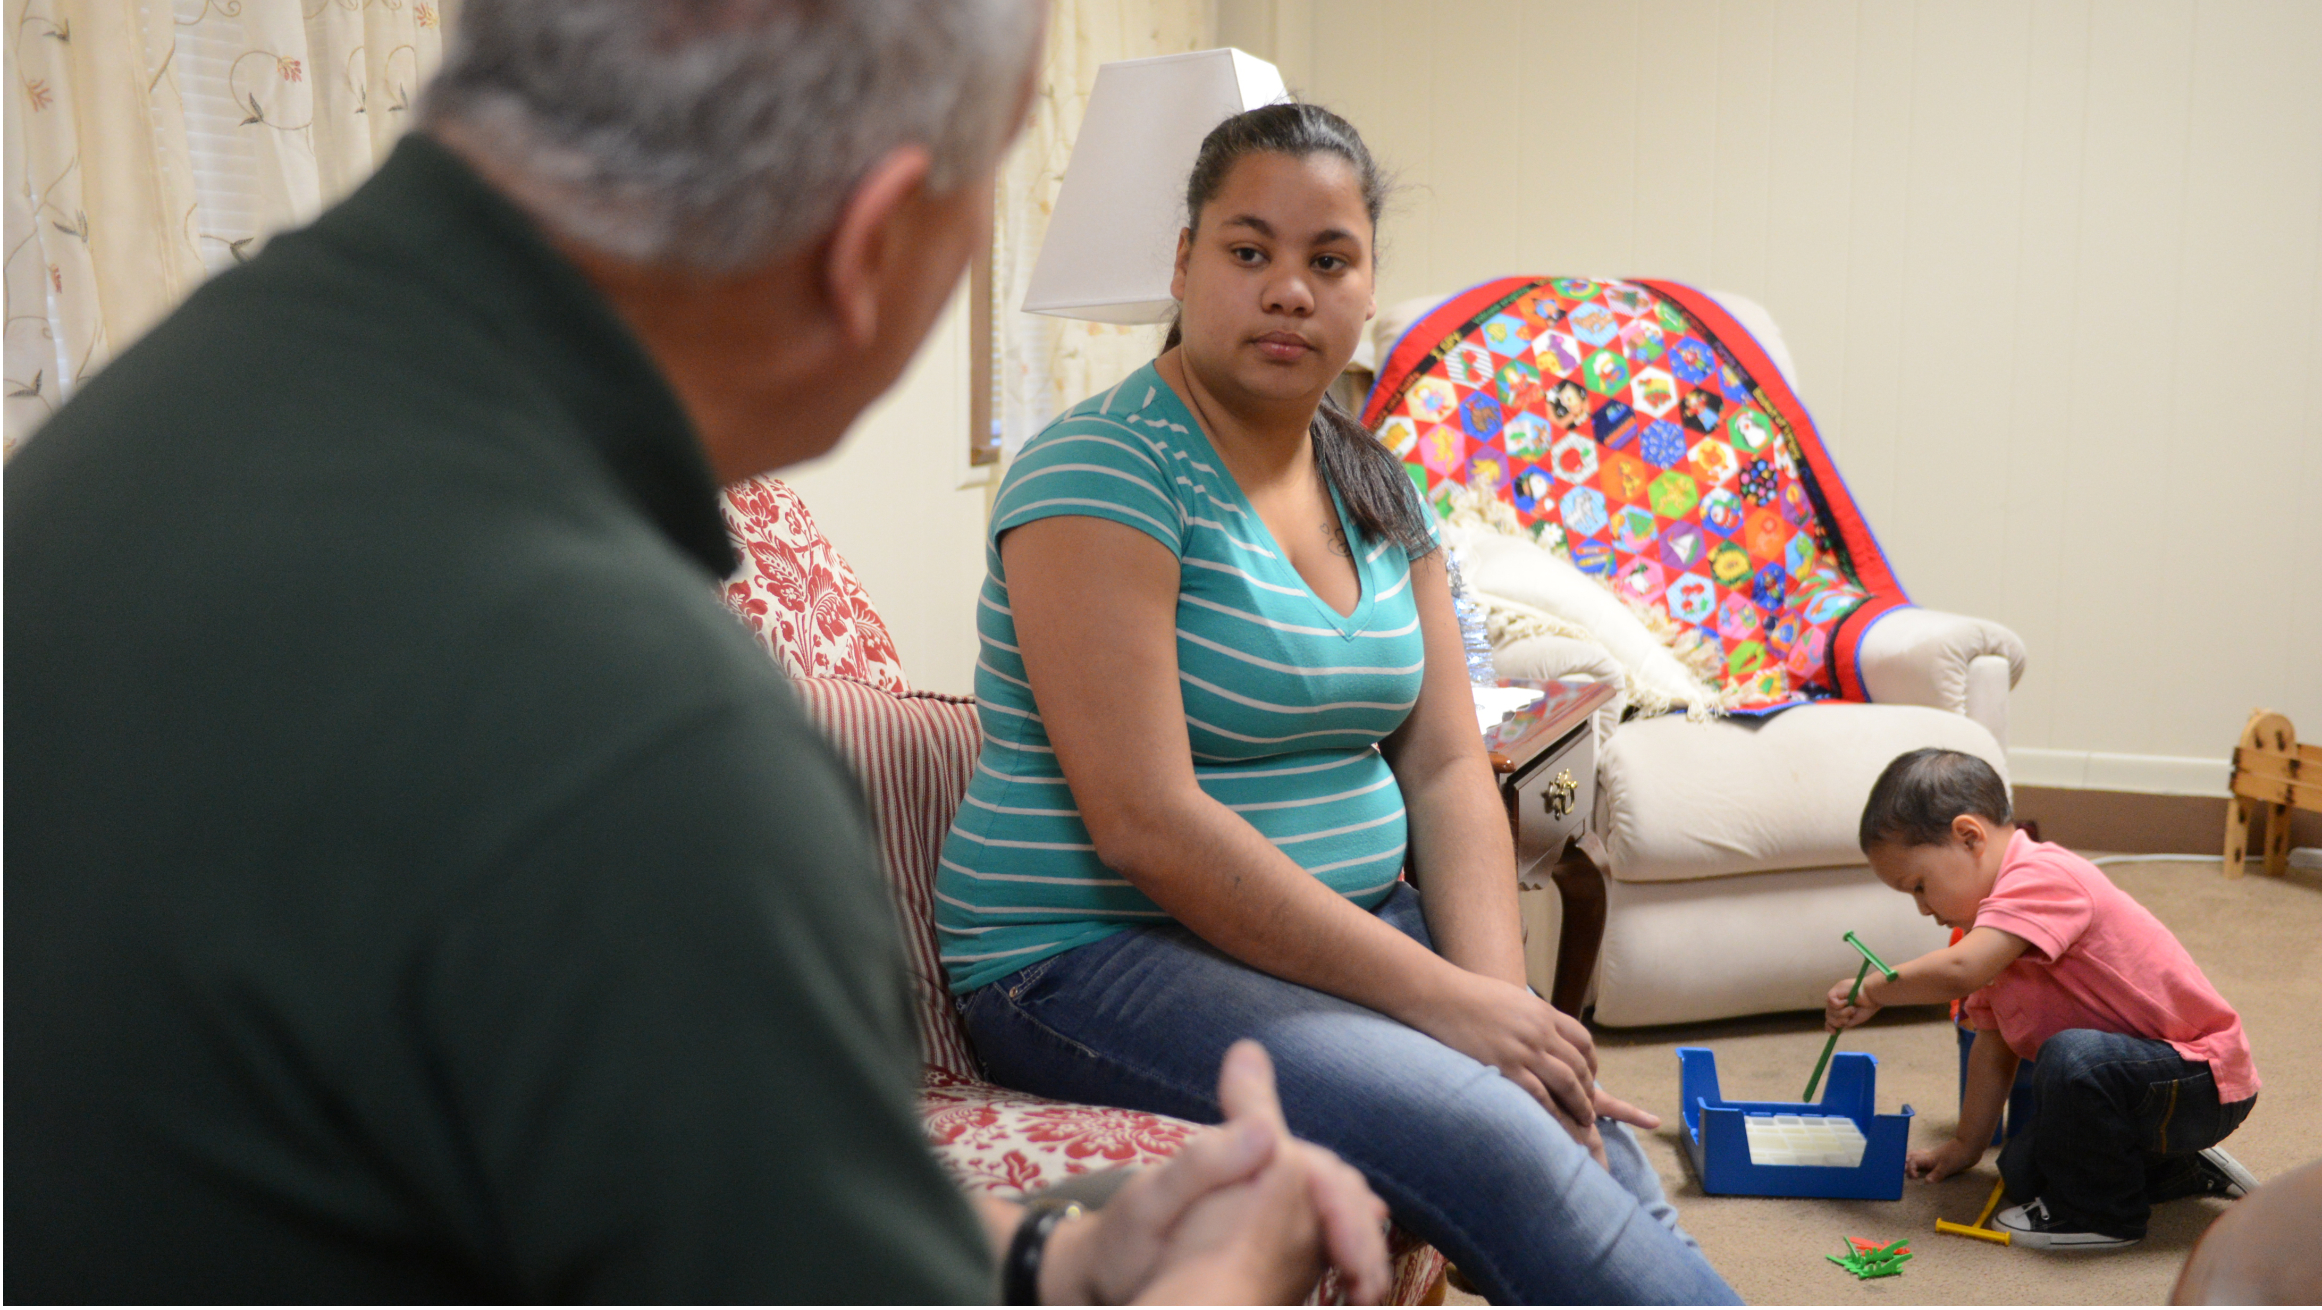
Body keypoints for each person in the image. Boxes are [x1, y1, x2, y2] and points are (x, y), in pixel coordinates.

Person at [3, 1, 1393, 1302]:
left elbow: (671, 1200)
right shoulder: (647, 750)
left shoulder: (143, 434)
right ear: (866, 249)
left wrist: (1050, 1255)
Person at [934, 102, 1739, 1305]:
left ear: (1368, 287)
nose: (1289, 291)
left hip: (1338, 925)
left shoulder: (1381, 485)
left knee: (1575, 1122)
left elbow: (1447, 765)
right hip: (1087, 956)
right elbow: (1144, 819)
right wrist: (1450, 1007)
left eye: (1329, 259)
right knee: (1496, 1143)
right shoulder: (1099, 472)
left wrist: (1500, 1006)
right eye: (1248, 251)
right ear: (1182, 266)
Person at [1829, 748, 2262, 1250]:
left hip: (2200, 1080)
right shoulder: (1993, 938)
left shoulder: (2043, 875)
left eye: (1920, 887)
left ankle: (2105, 1217)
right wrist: (1966, 1147)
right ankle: (2178, 1166)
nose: (1923, 909)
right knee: (2022, 1170)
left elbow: (1958, 971)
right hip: (2139, 1086)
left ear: (1969, 837)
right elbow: (1993, 1050)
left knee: (2071, 1057)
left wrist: (1876, 988)